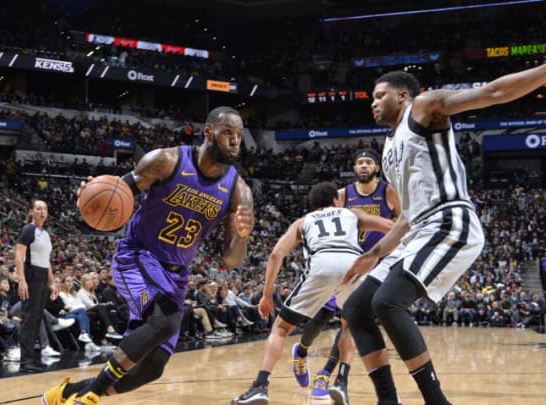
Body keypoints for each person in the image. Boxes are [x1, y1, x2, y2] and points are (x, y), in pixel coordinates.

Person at [338, 66, 546, 404]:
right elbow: (406, 214)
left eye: (380, 96)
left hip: (449, 220)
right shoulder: (389, 148)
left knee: (388, 302)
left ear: (403, 95)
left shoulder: (423, 107)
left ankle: (437, 401)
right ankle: (388, 400)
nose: (373, 103)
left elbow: (492, 92)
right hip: (419, 230)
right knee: (356, 308)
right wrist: (374, 255)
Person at [42, 106, 255, 405]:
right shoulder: (166, 160)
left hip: (177, 274)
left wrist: (242, 237)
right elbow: (117, 192)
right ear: (208, 132)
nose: (235, 141)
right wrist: (91, 195)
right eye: (227, 133)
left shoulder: (238, 190)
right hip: (138, 257)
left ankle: (65, 393)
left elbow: (230, 260)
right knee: (167, 321)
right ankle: (89, 397)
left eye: (239, 135)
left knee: (152, 368)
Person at [232, 182, 393, 405]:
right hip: (352, 265)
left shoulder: (303, 221)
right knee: (350, 326)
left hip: (321, 265)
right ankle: (341, 382)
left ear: (312, 204)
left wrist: (267, 296)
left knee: (280, 328)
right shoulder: (351, 213)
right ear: (336, 201)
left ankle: (260, 386)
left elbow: (276, 255)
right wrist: (378, 254)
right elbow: (390, 226)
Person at [299, 149, 401, 405]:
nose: (364, 166)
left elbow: (401, 222)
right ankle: (303, 353)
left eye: (368, 162)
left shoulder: (387, 191)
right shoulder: (343, 195)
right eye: (360, 163)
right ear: (354, 168)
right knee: (319, 317)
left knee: (350, 322)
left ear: (376, 167)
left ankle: (333, 376)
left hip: (376, 264)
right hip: (345, 262)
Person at [15, 199, 59, 373]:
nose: (42, 211)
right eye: (39, 208)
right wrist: (22, 279)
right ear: (32, 211)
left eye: (45, 208)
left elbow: (46, 261)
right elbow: (18, 256)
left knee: (36, 318)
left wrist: (52, 282)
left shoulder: (45, 234)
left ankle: (33, 358)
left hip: (42, 277)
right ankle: (25, 361)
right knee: (28, 319)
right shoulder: (28, 230)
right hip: (30, 275)